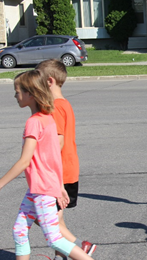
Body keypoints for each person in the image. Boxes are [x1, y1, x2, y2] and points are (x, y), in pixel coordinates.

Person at [0, 70, 94, 260]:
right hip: (39, 188)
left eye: (17, 91)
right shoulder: (47, 118)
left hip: (42, 190)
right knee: (19, 230)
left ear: (30, 94)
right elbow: (53, 158)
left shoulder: (34, 123)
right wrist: (59, 187)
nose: (15, 95)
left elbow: (25, 160)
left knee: (54, 239)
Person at [35, 59, 97, 259]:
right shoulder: (64, 104)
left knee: (45, 218)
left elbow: (58, 142)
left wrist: (44, 166)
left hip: (58, 171)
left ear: (49, 81)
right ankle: (64, 254)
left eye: (38, 78)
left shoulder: (55, 107)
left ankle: (80, 247)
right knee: (55, 220)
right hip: (67, 168)